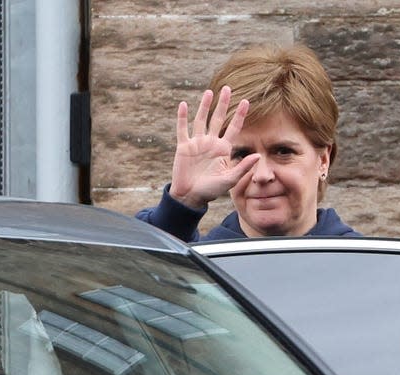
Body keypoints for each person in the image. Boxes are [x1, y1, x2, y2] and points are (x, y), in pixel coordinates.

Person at [135, 43, 360, 242]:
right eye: (242, 154)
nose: (261, 175)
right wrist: (182, 203)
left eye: (282, 151)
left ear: (323, 159)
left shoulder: (370, 264)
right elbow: (132, 275)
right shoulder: (200, 268)